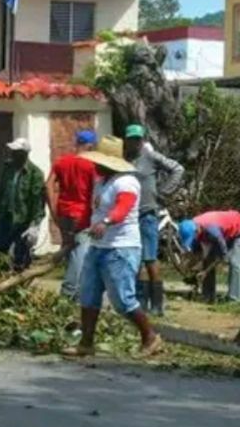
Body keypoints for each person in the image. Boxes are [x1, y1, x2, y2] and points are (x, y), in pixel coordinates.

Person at [63, 151, 163, 357]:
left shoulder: (127, 182)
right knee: (88, 295)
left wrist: (106, 222)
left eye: (99, 162)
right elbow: (95, 212)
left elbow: (122, 208)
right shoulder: (102, 182)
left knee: (122, 300)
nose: (95, 166)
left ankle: (150, 337)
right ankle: (86, 343)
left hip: (121, 248)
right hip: (99, 247)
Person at [123, 124, 184, 316]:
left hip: (147, 212)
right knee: (135, 259)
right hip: (128, 215)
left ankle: (157, 304)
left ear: (142, 140)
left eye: (138, 139)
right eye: (131, 139)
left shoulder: (149, 156)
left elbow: (177, 169)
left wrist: (164, 192)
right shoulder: (123, 158)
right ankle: (140, 302)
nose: (135, 142)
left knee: (149, 258)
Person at [47, 130, 100, 298]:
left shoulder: (62, 162)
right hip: (82, 215)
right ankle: (67, 293)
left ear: (77, 143)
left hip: (63, 213)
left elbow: (48, 185)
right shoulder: (92, 166)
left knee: (70, 250)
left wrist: (53, 210)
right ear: (91, 146)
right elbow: (97, 193)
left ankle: (78, 295)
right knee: (79, 253)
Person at [0, 138, 47, 271]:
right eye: (12, 151)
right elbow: (0, 190)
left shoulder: (35, 174)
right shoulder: (8, 168)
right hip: (6, 216)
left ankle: (19, 281)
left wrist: (35, 225)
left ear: (24, 154)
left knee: (21, 256)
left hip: (23, 220)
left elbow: (38, 201)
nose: (13, 154)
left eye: (16, 152)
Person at [179, 212, 240, 303]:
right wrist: (195, 268)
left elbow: (222, 256)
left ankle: (234, 299)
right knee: (207, 260)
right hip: (222, 233)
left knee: (234, 263)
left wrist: (205, 271)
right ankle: (208, 297)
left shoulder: (212, 230)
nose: (193, 239)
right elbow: (198, 253)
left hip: (237, 229)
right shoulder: (193, 228)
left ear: (197, 230)